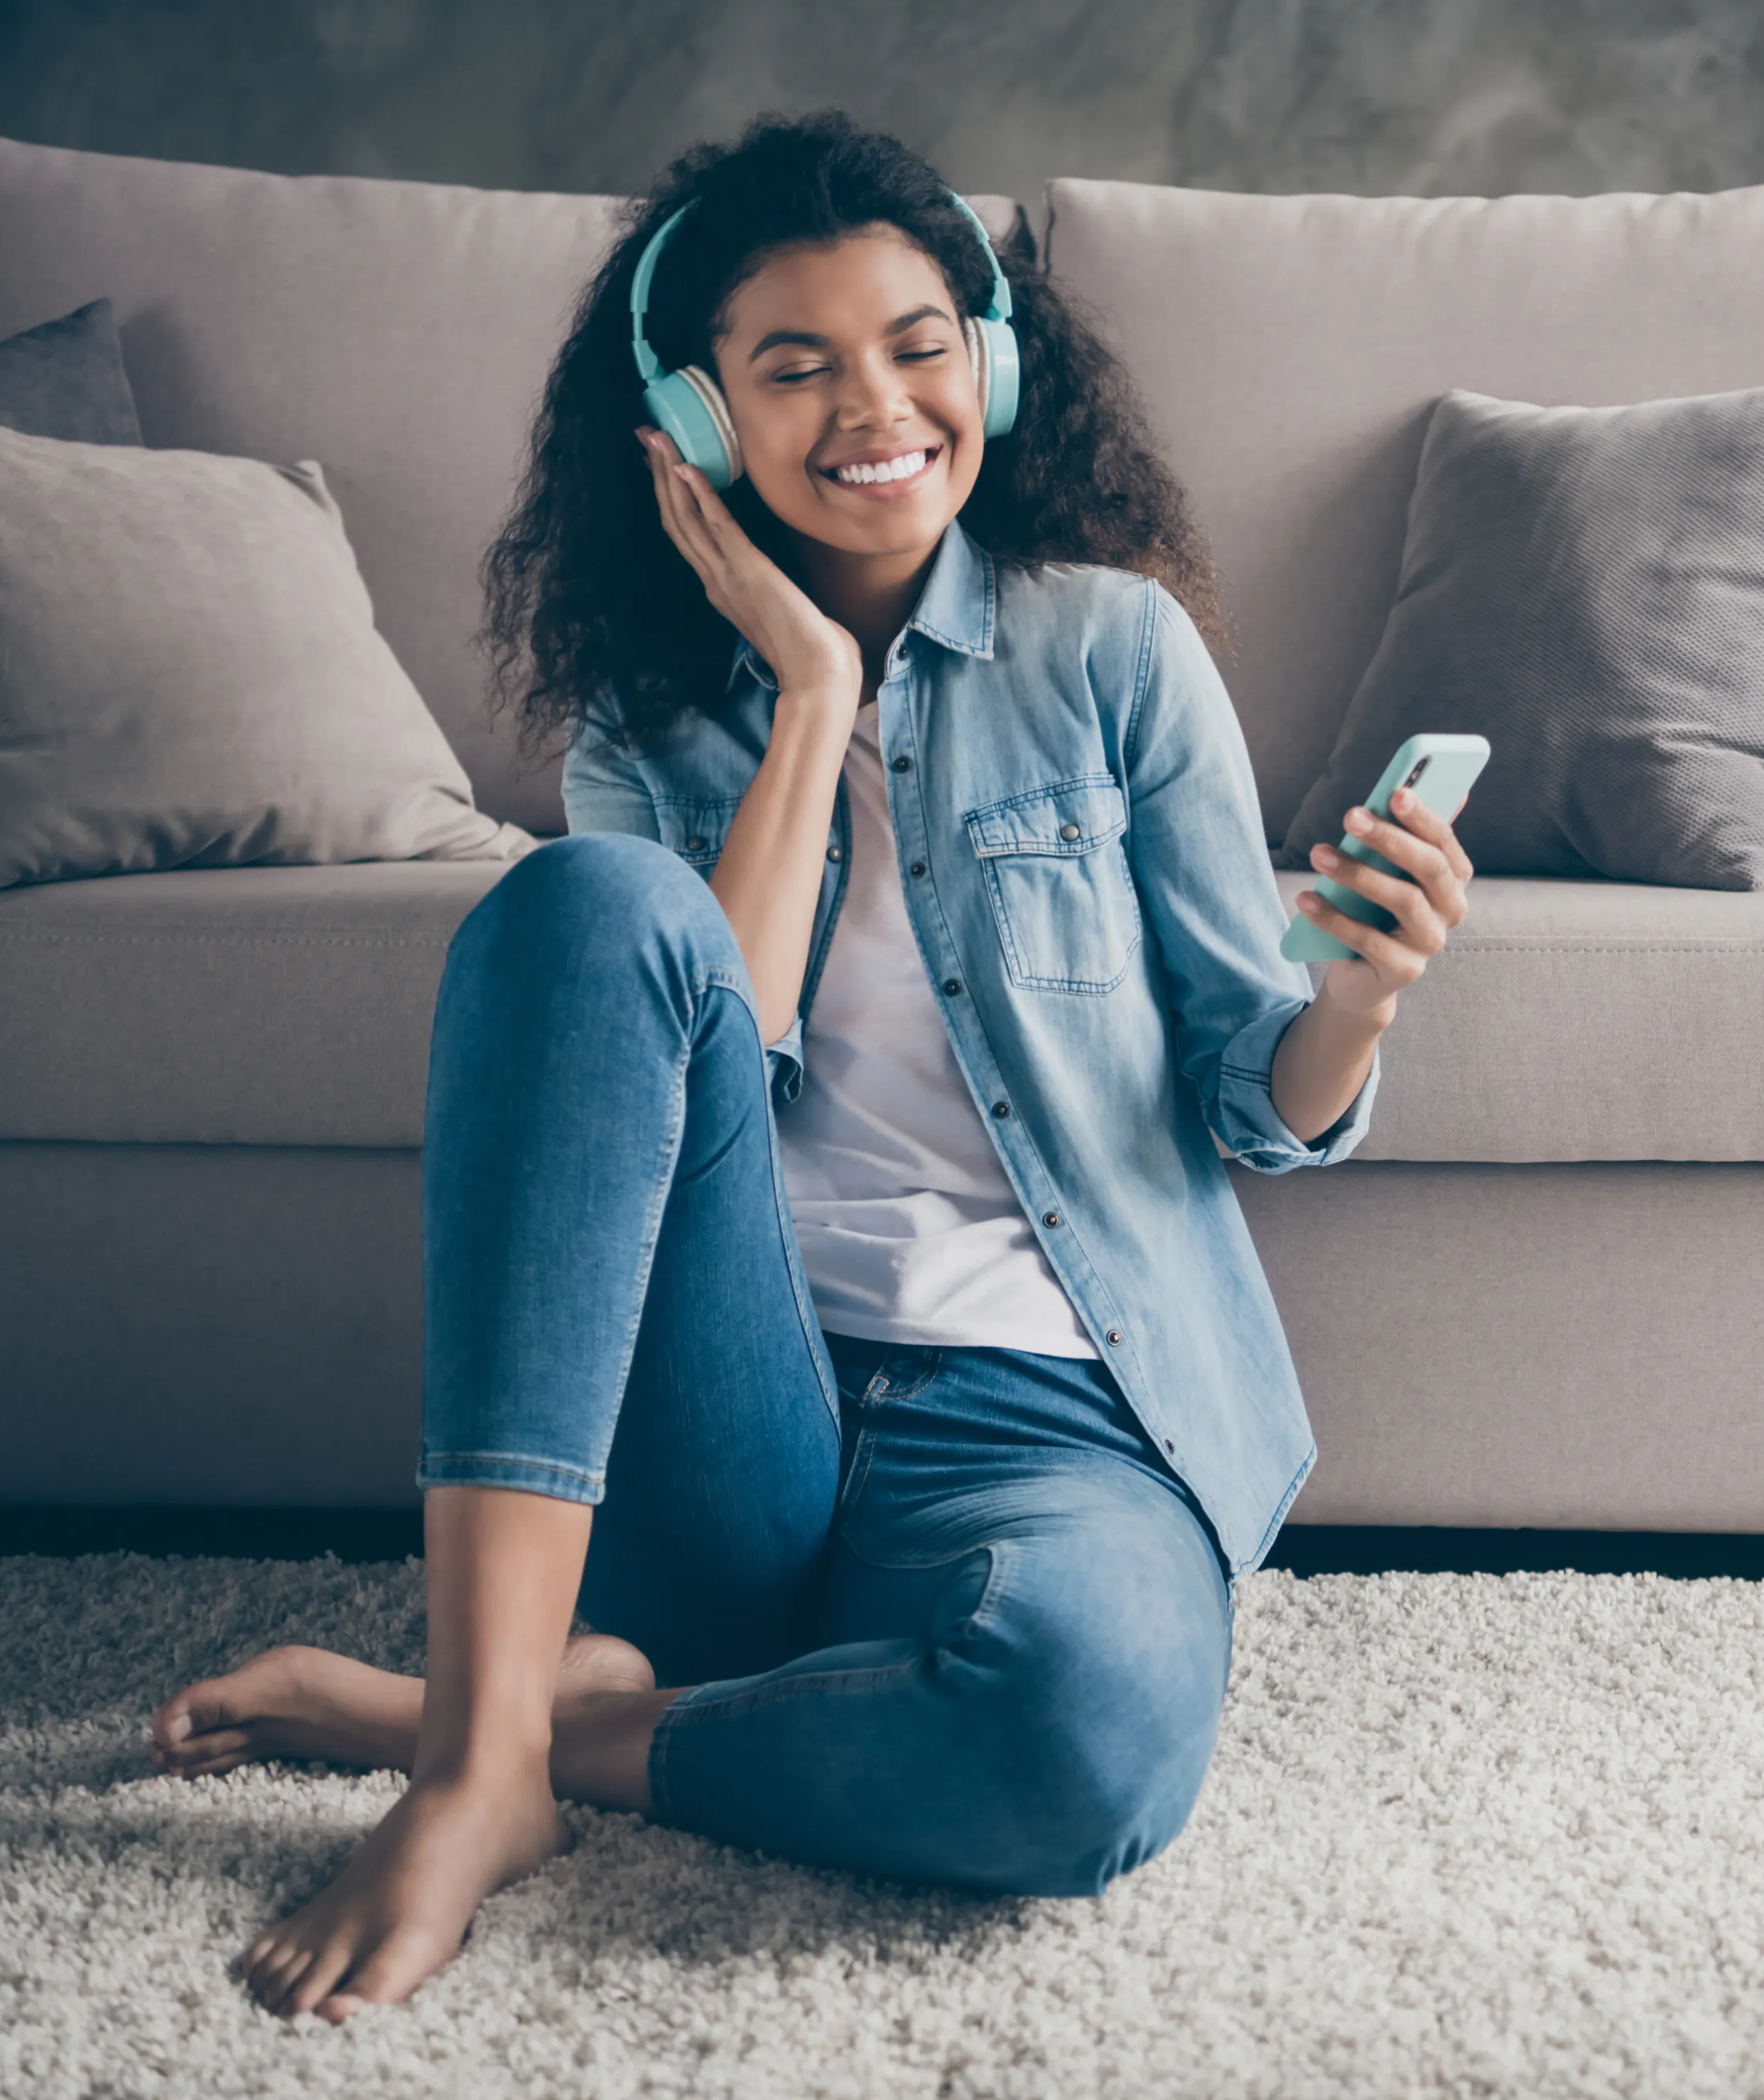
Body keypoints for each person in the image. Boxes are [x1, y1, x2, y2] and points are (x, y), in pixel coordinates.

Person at [149, 108, 1473, 2024]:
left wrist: (1354, 995)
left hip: (1051, 1412)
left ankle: (512, 1724)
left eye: (920, 341)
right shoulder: (646, 723)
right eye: (797, 365)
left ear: (992, 364)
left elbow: (1239, 1097)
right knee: (589, 907)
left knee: (1078, 1744)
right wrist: (813, 705)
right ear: (699, 427)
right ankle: (466, 1780)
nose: (879, 405)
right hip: (733, 1417)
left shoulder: (1108, 650)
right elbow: (706, 1073)